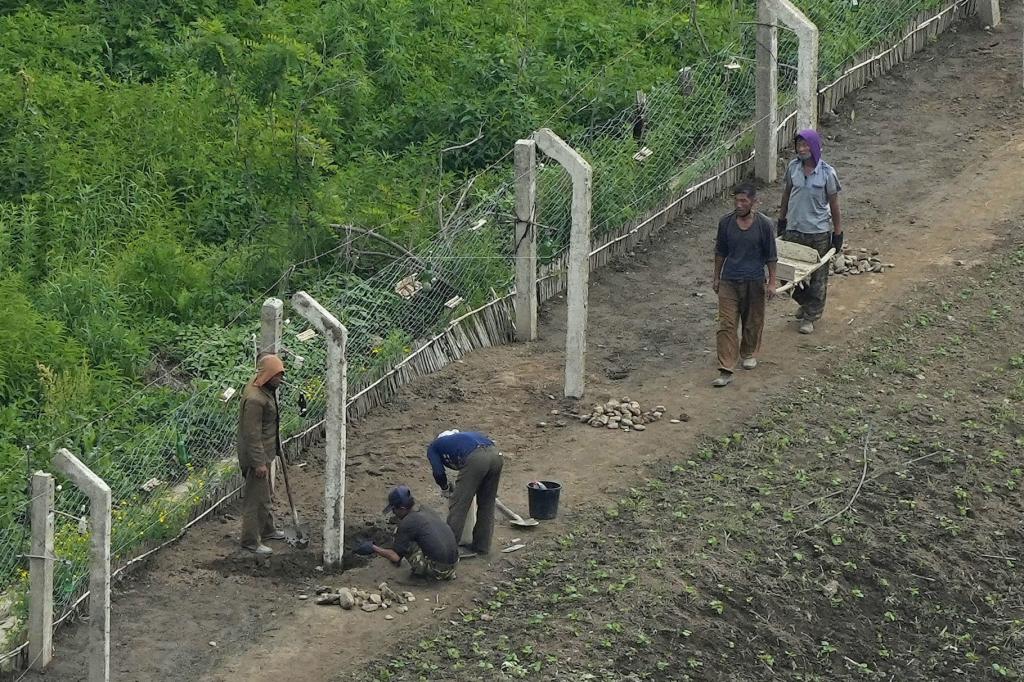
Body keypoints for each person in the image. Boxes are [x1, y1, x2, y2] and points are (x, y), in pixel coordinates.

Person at [777, 128, 843, 334]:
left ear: (814, 147)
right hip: (793, 230)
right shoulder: (793, 168)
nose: (802, 149)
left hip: (818, 233)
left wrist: (838, 233)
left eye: (806, 145)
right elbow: (787, 194)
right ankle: (805, 302)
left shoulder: (827, 173)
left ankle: (811, 317)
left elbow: (834, 205)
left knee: (818, 278)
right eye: (799, 145)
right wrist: (781, 219)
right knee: (784, 274)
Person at [712, 183, 778, 388]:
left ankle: (748, 352)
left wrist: (772, 282)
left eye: (744, 201)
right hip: (729, 281)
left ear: (753, 202)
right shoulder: (726, 223)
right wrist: (716, 277)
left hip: (754, 280)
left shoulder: (764, 225)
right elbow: (720, 251)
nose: (739, 204)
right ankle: (726, 367)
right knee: (727, 324)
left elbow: (771, 256)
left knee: (752, 320)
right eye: (736, 200)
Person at [237, 354, 287, 556]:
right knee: (255, 499)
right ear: (268, 376)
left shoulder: (266, 389)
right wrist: (259, 463)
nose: (280, 380)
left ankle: (268, 530)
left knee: (264, 494)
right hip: (256, 456)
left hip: (266, 451)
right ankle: (250, 540)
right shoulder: (255, 400)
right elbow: (251, 434)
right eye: (277, 375)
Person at [355, 485, 459, 580]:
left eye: (394, 510)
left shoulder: (407, 523)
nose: (393, 513)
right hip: (454, 565)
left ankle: (423, 575)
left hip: (439, 571)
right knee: (417, 537)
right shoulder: (426, 510)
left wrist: (373, 548)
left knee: (407, 543)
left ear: (402, 508)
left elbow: (395, 557)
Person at [427, 429, 503, 555]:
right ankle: (482, 546)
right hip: (496, 455)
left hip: (476, 459)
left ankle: (448, 550)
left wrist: (445, 487)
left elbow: (438, 472)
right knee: (487, 504)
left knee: (459, 505)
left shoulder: (434, 446)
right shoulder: (464, 438)